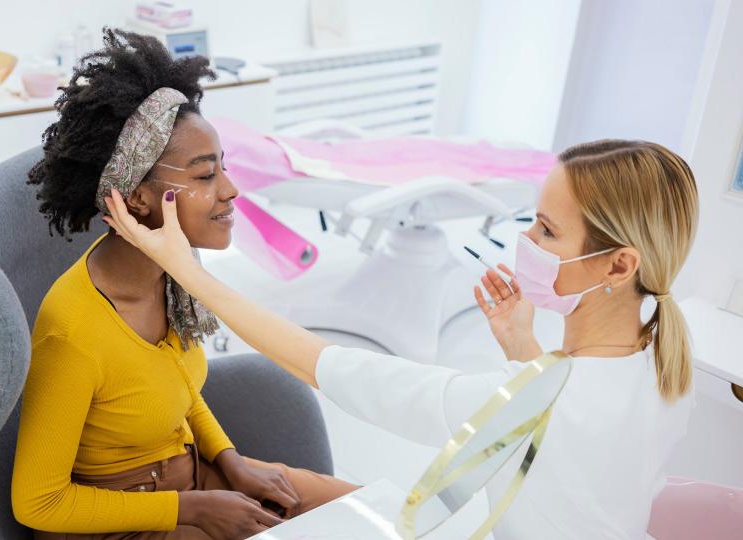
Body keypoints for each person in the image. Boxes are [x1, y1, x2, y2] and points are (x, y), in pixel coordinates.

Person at [101, 139, 699, 539]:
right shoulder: (666, 358)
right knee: (284, 483)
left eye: (546, 230)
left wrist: (189, 271)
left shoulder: (537, 400)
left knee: (271, 492)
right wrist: (521, 347)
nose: (527, 242)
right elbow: (571, 445)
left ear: (619, 266)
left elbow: (323, 365)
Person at [11, 29, 356, 540]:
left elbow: (177, 389)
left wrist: (229, 460)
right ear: (137, 198)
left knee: (354, 511)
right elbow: (38, 504)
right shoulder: (74, 331)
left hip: (192, 482)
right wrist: (187, 510)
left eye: (224, 169)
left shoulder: (172, 275)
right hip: (116, 520)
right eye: (203, 176)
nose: (230, 190)